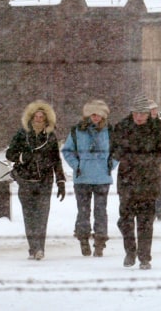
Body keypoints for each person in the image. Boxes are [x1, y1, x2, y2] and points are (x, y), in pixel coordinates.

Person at [112, 93, 161, 270]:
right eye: (135, 113)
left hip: (149, 181)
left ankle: (144, 257)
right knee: (126, 220)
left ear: (148, 113)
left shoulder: (158, 128)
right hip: (127, 181)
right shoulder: (122, 127)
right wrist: (127, 156)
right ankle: (130, 252)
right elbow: (114, 150)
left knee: (146, 221)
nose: (138, 117)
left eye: (142, 113)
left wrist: (152, 161)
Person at [6, 100, 66, 260]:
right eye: (36, 117)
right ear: (31, 118)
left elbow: (56, 160)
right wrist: (22, 157)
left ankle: (40, 248)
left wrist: (61, 182)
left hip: (45, 181)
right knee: (29, 216)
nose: (39, 119)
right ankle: (33, 247)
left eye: (42, 117)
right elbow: (9, 154)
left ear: (47, 119)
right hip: (26, 180)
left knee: (42, 216)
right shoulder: (22, 134)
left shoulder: (51, 137)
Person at [61, 99, 116, 257]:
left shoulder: (110, 131)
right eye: (93, 114)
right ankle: (83, 239)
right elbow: (67, 151)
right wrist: (77, 165)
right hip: (82, 178)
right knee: (83, 211)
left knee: (100, 211)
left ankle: (100, 242)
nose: (96, 117)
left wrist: (110, 165)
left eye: (98, 114)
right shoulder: (77, 131)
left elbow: (118, 150)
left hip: (102, 178)